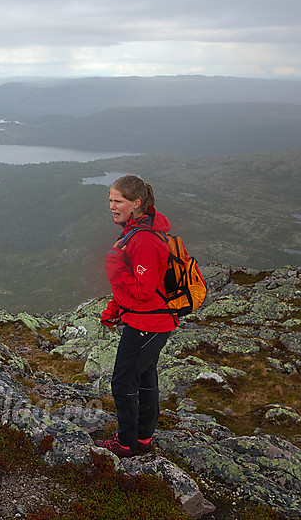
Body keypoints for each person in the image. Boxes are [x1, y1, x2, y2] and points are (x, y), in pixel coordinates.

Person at [96, 175, 177, 457]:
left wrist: (115, 270)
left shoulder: (144, 239)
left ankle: (127, 443)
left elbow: (143, 290)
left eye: (118, 201)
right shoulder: (137, 230)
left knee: (123, 381)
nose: (111, 206)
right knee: (144, 378)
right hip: (148, 320)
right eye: (110, 200)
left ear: (136, 203)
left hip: (148, 323)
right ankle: (142, 438)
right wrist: (116, 309)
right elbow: (136, 287)